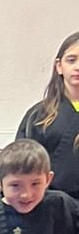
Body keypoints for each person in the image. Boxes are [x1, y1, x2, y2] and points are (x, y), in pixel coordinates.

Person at [16, 32, 79, 201]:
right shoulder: (39, 115)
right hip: (46, 201)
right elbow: (19, 162)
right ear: (59, 66)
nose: (77, 67)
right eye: (71, 60)